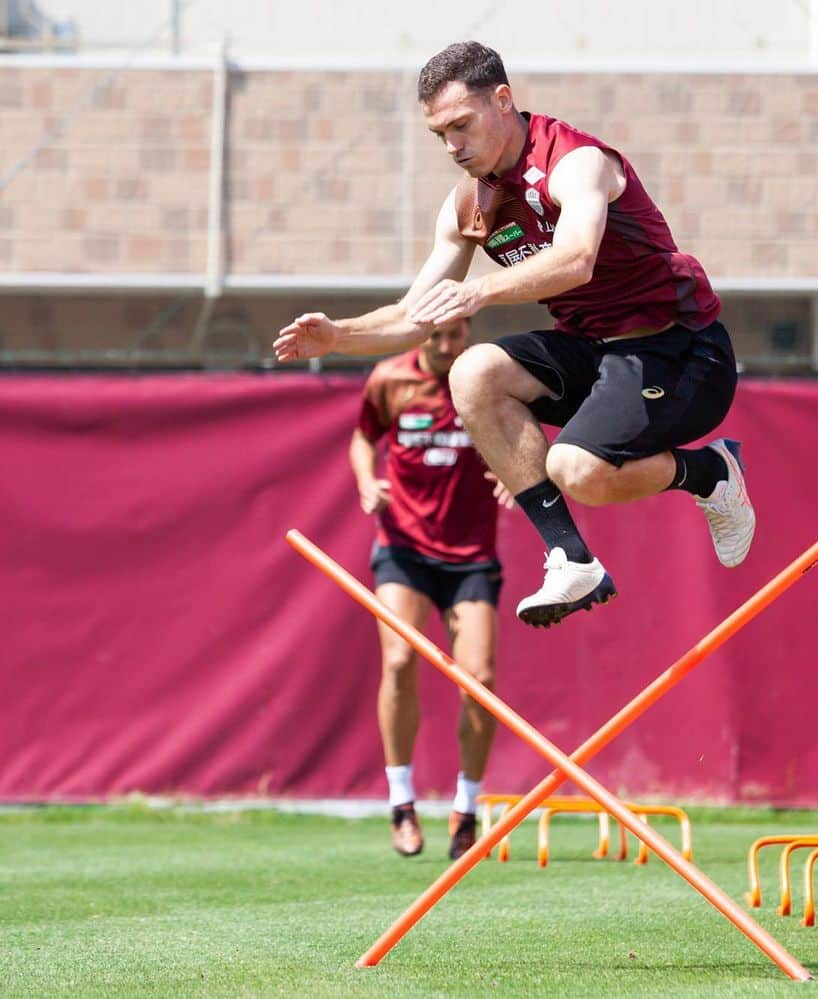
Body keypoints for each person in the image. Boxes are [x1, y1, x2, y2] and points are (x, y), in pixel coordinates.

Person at [276, 41, 755, 629]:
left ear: (503, 100)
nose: (452, 146)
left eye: (461, 125)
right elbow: (414, 314)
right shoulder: (468, 207)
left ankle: (711, 472)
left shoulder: (577, 162)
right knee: (473, 371)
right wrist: (339, 336)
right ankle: (570, 558)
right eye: (439, 135)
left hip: (681, 354)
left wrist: (479, 291)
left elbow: (577, 258)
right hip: (596, 356)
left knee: (577, 469)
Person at [351, 318, 511, 859]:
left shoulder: (484, 381)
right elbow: (362, 436)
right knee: (398, 662)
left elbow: (523, 436)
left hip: (470, 555)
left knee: (479, 681)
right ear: (419, 335)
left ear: (469, 334)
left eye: (457, 335)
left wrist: (517, 473)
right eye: (437, 336)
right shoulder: (389, 379)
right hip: (404, 547)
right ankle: (401, 802)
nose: (446, 346)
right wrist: (365, 480)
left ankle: (467, 808)